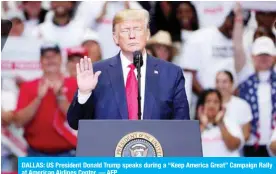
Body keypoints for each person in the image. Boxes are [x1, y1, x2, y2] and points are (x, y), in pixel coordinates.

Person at [67, 9, 190, 130]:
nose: (132, 36)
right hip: (108, 149)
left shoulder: (171, 74)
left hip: (157, 149)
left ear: (147, 35)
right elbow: (76, 123)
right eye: (125, 30)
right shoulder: (97, 73)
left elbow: (182, 127)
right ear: (115, 38)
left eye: (137, 29)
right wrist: (84, 94)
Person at [14, 43, 78, 157]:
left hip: (69, 154)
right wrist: (38, 98)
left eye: (54, 56)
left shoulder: (75, 84)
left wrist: (60, 98)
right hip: (35, 154)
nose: (50, 60)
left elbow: (80, 122)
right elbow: (18, 122)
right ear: (40, 61)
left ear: (60, 59)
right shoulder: (28, 86)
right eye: (46, 57)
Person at [238, 36, 276, 157]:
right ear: (253, 57)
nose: (263, 59)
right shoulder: (244, 86)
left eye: (267, 55)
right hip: (252, 144)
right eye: (260, 55)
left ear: (274, 57)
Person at [197, 89, 244, 157]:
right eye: (208, 101)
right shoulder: (195, 126)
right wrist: (203, 125)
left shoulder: (231, 123)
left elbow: (233, 146)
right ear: (202, 106)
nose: (212, 105)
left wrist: (220, 123)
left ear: (221, 106)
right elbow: (189, 149)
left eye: (216, 102)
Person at [216, 70, 252, 141]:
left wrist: (231, 142)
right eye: (217, 81)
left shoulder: (242, 105)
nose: (220, 85)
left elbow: (246, 135)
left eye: (224, 82)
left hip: (235, 149)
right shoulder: (209, 104)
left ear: (232, 84)